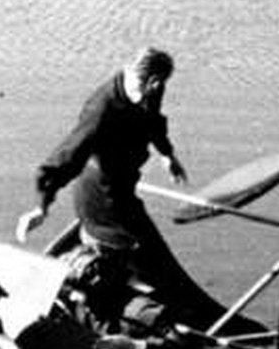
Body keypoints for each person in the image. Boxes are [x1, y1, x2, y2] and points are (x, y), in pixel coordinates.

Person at [15, 47, 189, 252]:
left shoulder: (150, 90)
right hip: (101, 194)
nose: (148, 95)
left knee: (152, 251)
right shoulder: (100, 111)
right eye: (152, 84)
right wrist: (41, 206)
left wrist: (167, 154)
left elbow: (152, 121)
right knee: (154, 257)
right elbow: (65, 158)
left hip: (123, 184)